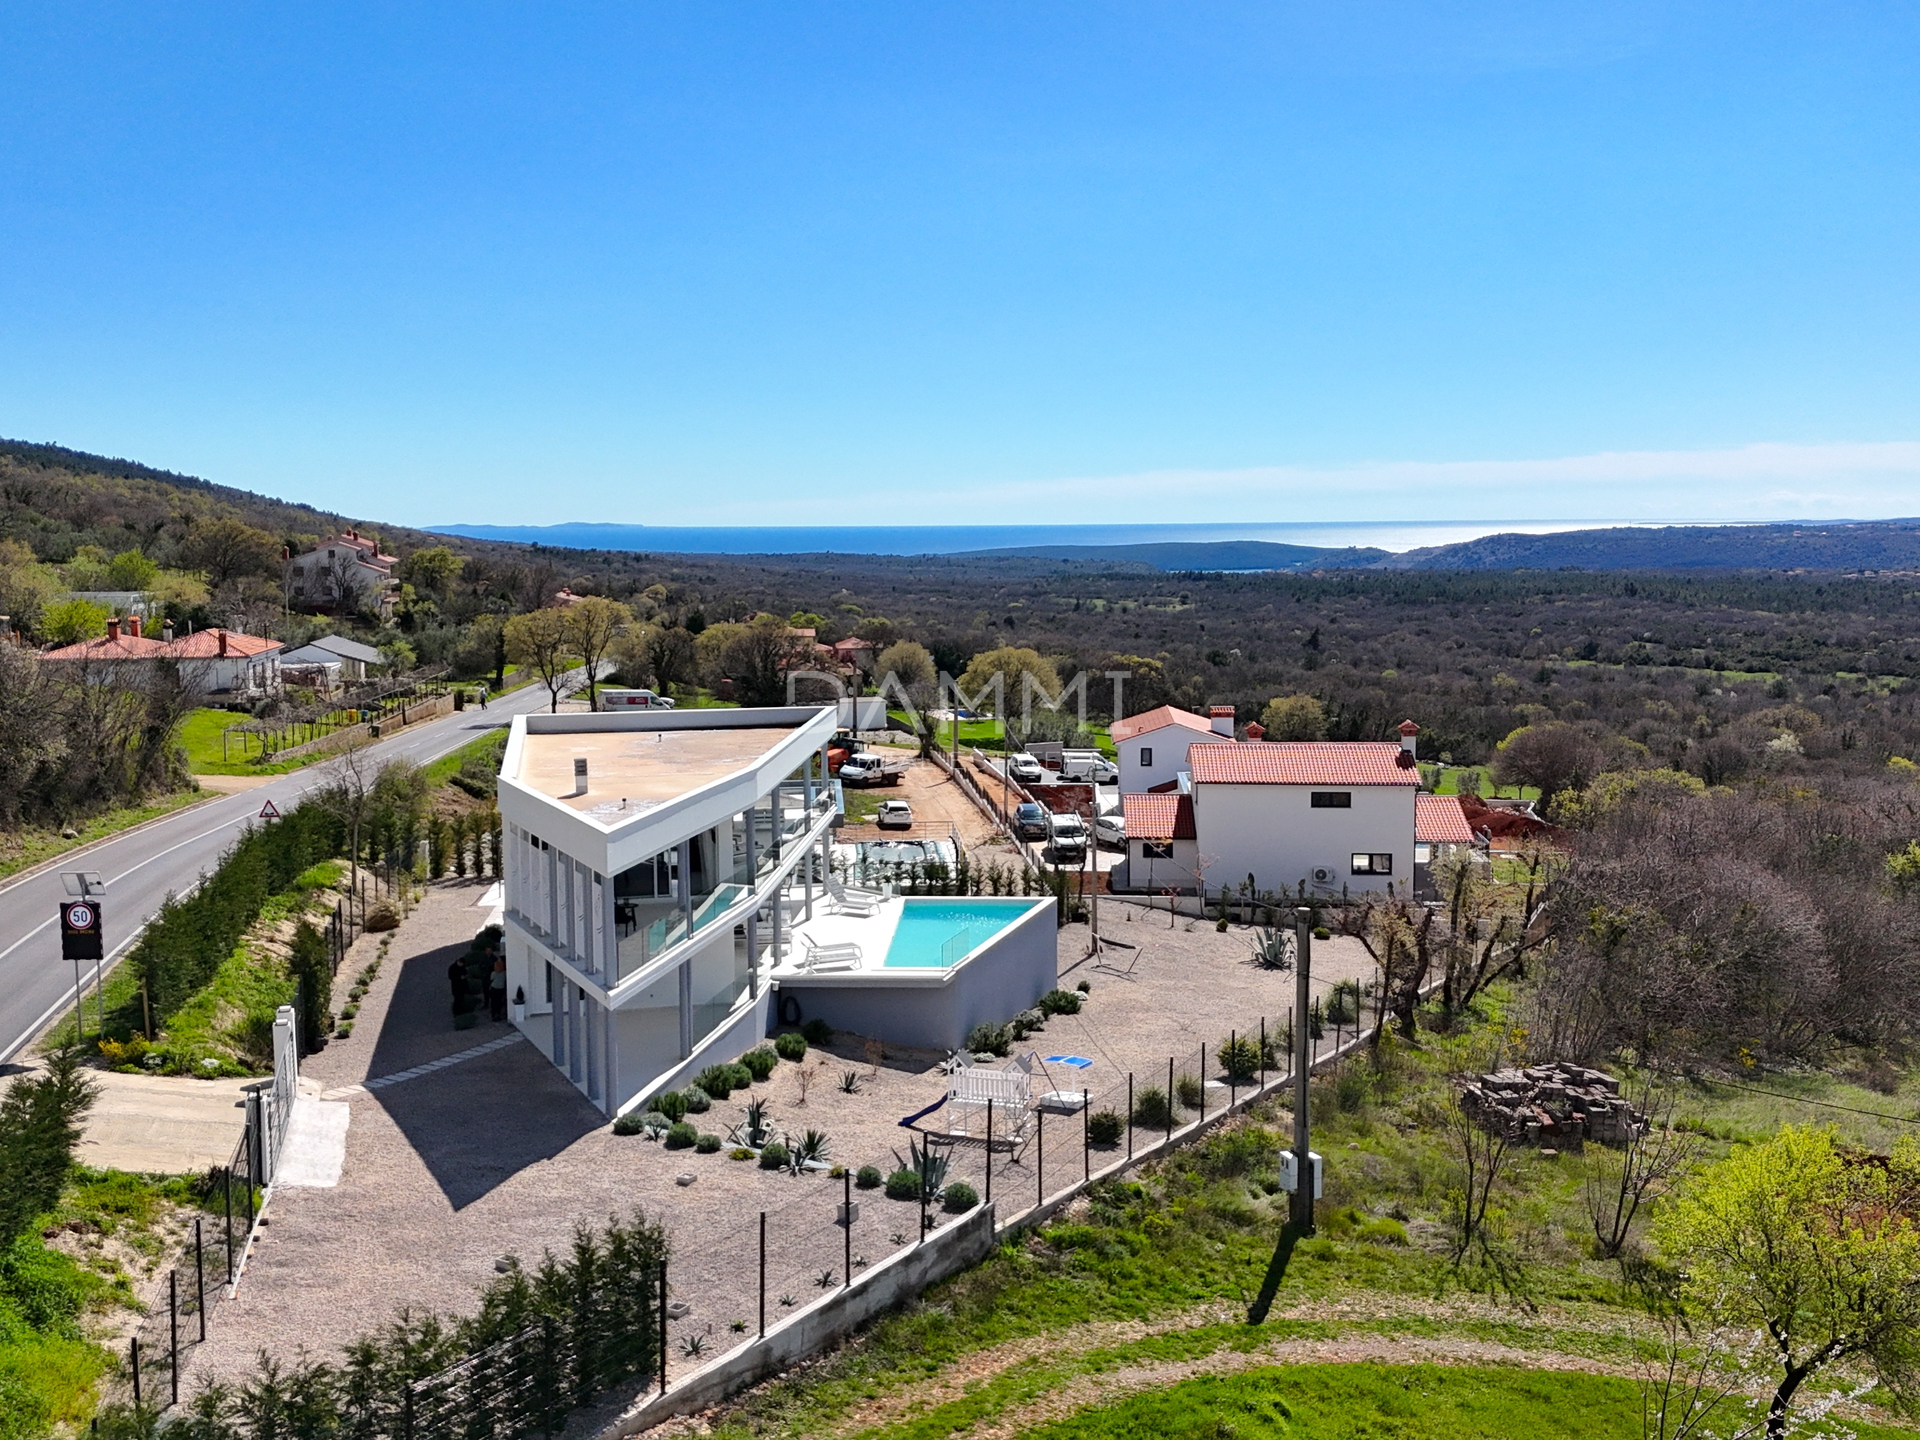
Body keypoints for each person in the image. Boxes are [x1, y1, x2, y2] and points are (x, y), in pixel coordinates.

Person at [489, 955, 508, 1022]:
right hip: (501, 988)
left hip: (494, 988)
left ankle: (493, 1015)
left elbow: (491, 979)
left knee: (493, 1002)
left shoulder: (493, 973)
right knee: (499, 1002)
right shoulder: (504, 973)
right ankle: (498, 1014)